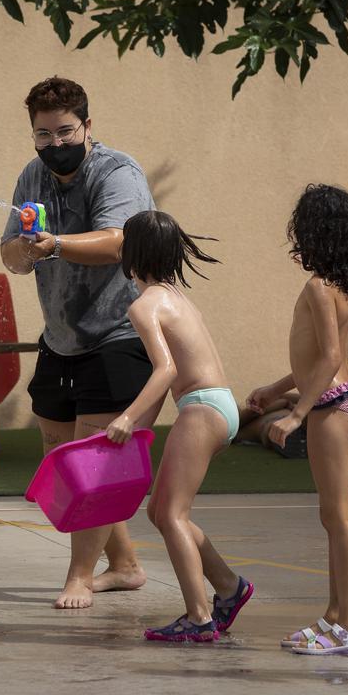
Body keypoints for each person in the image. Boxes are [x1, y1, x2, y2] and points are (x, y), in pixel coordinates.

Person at [0, 77, 156, 609]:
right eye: (42, 135)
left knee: (92, 466)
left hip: (119, 333)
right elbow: (11, 258)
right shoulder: (31, 176)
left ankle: (80, 577)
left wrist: (58, 243)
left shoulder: (116, 171)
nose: (53, 143)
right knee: (63, 460)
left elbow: (120, 240)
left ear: (87, 126)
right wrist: (25, 249)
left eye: (64, 131)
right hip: (61, 338)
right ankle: (127, 565)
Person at [105, 211, 254, 642]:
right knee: (160, 512)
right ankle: (229, 587)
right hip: (219, 405)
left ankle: (199, 617)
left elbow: (165, 370)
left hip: (200, 407)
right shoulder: (177, 297)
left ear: (132, 255)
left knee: (170, 514)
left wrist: (127, 418)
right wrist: (138, 432)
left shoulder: (144, 304)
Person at [246, 184, 348, 656]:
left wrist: (297, 413)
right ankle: (336, 617)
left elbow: (333, 355)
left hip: (331, 408)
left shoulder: (320, 286)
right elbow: (322, 357)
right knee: (332, 515)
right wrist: (276, 390)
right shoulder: (346, 284)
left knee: (338, 517)